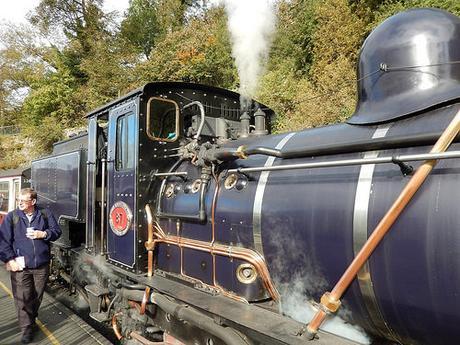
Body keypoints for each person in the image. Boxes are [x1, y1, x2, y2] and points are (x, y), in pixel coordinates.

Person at [0, 188, 61, 344]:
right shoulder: (12, 217)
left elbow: (56, 231)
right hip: (20, 266)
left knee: (36, 297)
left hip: (41, 265)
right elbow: (3, 242)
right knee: (22, 299)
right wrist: (9, 259)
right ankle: (27, 330)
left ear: (33, 202)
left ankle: (31, 320)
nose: (19, 202)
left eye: (23, 200)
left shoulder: (45, 214)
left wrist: (44, 234)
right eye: (18, 199)